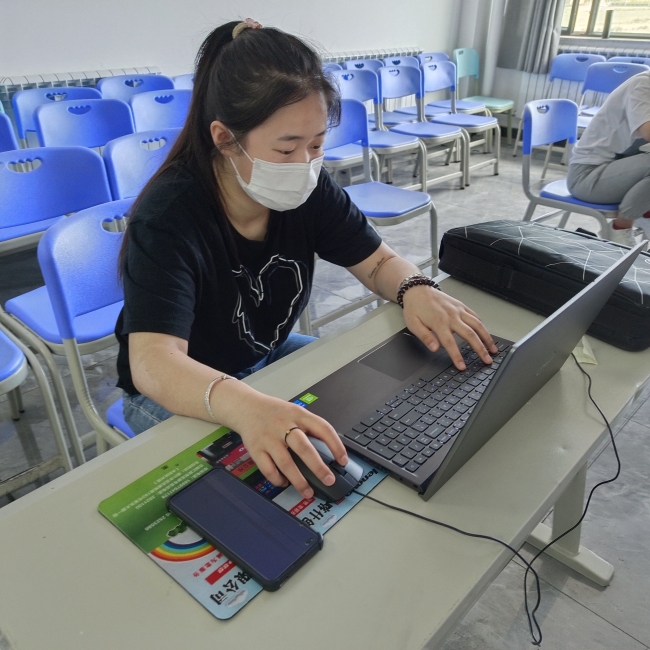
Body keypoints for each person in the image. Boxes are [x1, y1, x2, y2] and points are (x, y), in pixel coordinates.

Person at [116, 19, 498, 500]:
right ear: (225, 138)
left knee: (374, 416)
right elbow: (153, 362)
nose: (305, 164)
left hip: (264, 356)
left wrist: (415, 288)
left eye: (316, 144)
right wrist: (245, 405)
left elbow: (377, 262)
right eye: (286, 148)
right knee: (268, 489)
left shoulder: (309, 187)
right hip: (185, 386)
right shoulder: (170, 216)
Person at [567, 67, 650, 246]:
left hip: (615, 171)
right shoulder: (643, 84)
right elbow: (648, 132)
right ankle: (620, 229)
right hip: (587, 177)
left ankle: (644, 212)